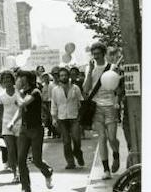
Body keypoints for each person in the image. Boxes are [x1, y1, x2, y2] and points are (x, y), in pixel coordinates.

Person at [8, 70, 54, 192]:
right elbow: (20, 110)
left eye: (20, 78)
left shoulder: (35, 92)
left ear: (27, 79)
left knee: (37, 160)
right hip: (24, 130)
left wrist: (16, 90)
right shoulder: (22, 93)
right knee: (21, 159)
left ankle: (47, 172)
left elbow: (23, 103)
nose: (18, 80)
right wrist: (12, 121)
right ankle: (26, 188)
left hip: (36, 130)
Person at [83, 42, 121, 179]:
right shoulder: (90, 68)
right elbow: (86, 90)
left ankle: (116, 155)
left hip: (110, 106)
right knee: (102, 138)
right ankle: (106, 170)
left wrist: (117, 103)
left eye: (98, 54)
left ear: (103, 54)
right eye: (94, 54)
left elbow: (118, 89)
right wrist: (90, 72)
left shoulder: (112, 68)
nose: (96, 57)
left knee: (112, 138)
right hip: (96, 107)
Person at [51, 67, 84, 169]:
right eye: (61, 75)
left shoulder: (75, 88)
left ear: (68, 76)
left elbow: (80, 102)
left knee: (76, 139)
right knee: (66, 142)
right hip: (62, 118)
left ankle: (78, 153)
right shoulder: (55, 90)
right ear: (59, 77)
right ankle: (70, 162)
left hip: (74, 117)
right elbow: (54, 104)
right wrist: (54, 118)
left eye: (65, 75)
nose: (63, 77)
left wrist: (80, 116)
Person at [0, 70, 22, 183]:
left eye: (8, 79)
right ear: (1, 81)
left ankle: (21, 170)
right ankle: (15, 174)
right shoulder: (0, 96)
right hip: (6, 124)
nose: (6, 81)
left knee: (20, 150)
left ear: (12, 80)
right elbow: (0, 112)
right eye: (4, 79)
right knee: (11, 150)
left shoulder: (19, 92)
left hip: (19, 122)